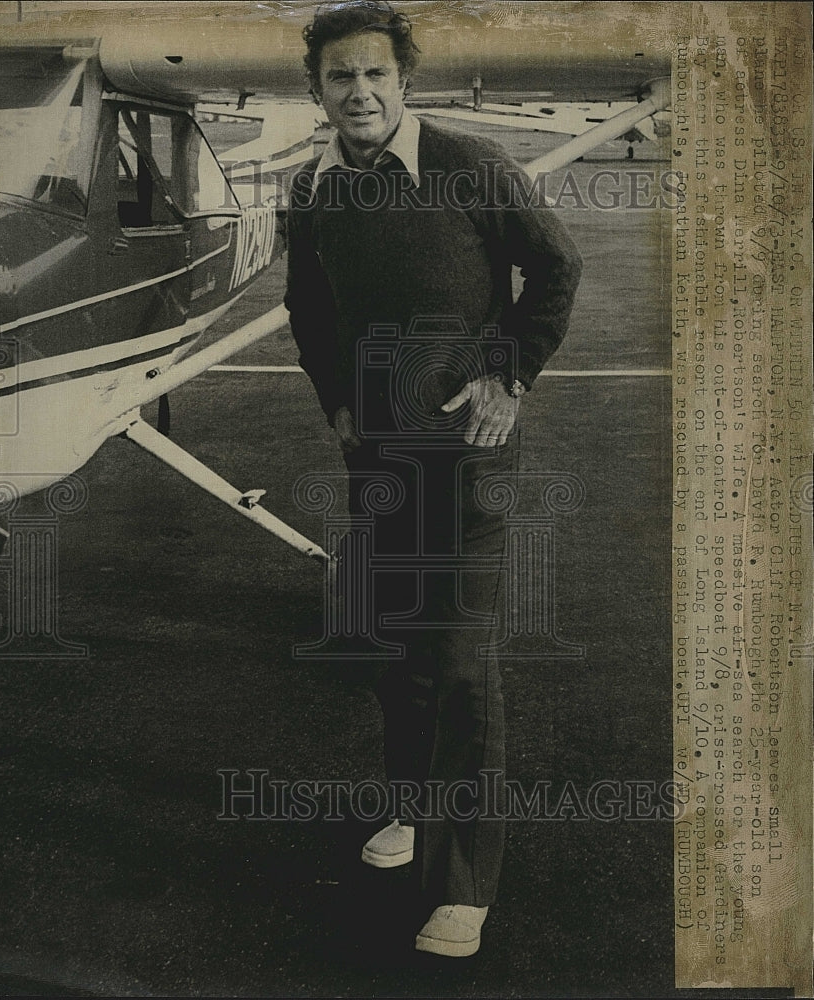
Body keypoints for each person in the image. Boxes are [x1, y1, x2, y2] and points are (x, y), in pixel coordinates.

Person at [284, 0, 582, 957]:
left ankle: (463, 888)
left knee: (457, 666)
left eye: (375, 73)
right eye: (340, 76)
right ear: (318, 88)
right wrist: (336, 398)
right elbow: (308, 305)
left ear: (403, 81)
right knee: (394, 655)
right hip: (376, 460)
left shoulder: (471, 166)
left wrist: (509, 376)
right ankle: (416, 809)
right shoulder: (315, 188)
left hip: (469, 465)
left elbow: (556, 266)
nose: (358, 91)